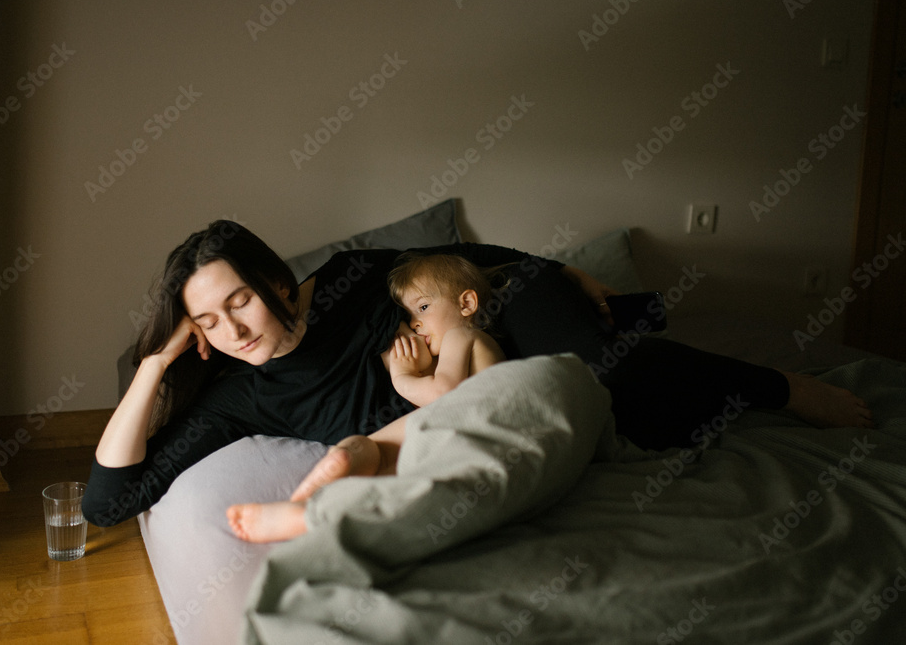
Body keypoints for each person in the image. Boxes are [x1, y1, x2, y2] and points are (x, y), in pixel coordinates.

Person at [82, 219, 872, 528]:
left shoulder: (352, 278)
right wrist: (156, 363)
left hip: (507, 319)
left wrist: (559, 267)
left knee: (605, 371)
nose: (235, 328)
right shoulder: (236, 396)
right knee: (611, 419)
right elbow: (109, 501)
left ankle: (788, 388)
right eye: (209, 321)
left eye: (242, 300)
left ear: (278, 282)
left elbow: (465, 266)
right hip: (487, 397)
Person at [224, 252, 507, 542]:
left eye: (423, 307)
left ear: (467, 304)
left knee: (373, 451)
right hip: (454, 428)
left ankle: (312, 506)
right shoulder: (458, 343)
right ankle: (311, 502)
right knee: (371, 450)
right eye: (410, 316)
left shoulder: (463, 336)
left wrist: (404, 377)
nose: (416, 324)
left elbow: (443, 393)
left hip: (474, 426)